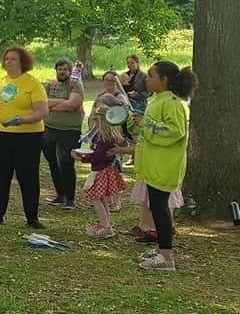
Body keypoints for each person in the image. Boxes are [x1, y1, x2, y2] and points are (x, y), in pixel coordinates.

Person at [133, 60, 197, 272]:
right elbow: (153, 126)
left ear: (164, 80)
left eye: (151, 76)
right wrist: (141, 122)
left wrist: (148, 126)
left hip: (165, 166)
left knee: (160, 209)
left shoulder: (172, 102)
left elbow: (175, 131)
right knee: (156, 207)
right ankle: (162, 249)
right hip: (154, 165)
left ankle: (167, 257)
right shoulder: (159, 100)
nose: (146, 79)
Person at [0, 44, 49, 228]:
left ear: (22, 62)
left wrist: (24, 120)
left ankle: (32, 218)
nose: (9, 61)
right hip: (0, 135)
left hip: (27, 137)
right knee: (0, 175)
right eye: (7, 58)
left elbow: (42, 111)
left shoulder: (32, 83)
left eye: (13, 58)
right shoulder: (0, 82)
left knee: (27, 177)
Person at [72, 109, 128, 238]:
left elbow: (97, 158)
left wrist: (80, 158)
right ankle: (105, 223)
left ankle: (106, 226)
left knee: (96, 198)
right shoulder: (109, 138)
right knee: (101, 198)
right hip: (106, 170)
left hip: (100, 171)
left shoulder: (104, 140)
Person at [41, 57, 85, 210]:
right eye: (60, 69)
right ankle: (60, 195)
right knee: (53, 163)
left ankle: (70, 199)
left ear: (70, 70)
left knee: (65, 163)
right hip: (49, 129)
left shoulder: (76, 85)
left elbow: (72, 104)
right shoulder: (49, 85)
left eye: (65, 69)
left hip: (69, 132)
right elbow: (41, 104)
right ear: (56, 70)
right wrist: (62, 102)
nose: (62, 72)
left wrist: (52, 105)